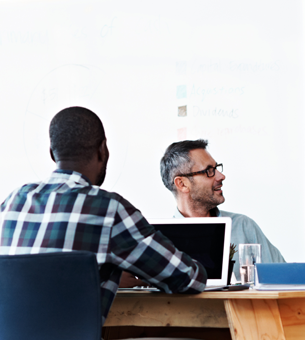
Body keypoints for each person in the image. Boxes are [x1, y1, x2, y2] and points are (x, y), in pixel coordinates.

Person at [0, 107, 207, 324]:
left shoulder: (11, 202)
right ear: (103, 150)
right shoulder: (108, 208)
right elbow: (189, 279)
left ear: (52, 153)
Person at [159, 139, 286, 278]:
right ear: (182, 184)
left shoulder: (243, 226)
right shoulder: (159, 241)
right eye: (209, 171)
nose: (221, 176)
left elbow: (283, 278)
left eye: (217, 168)